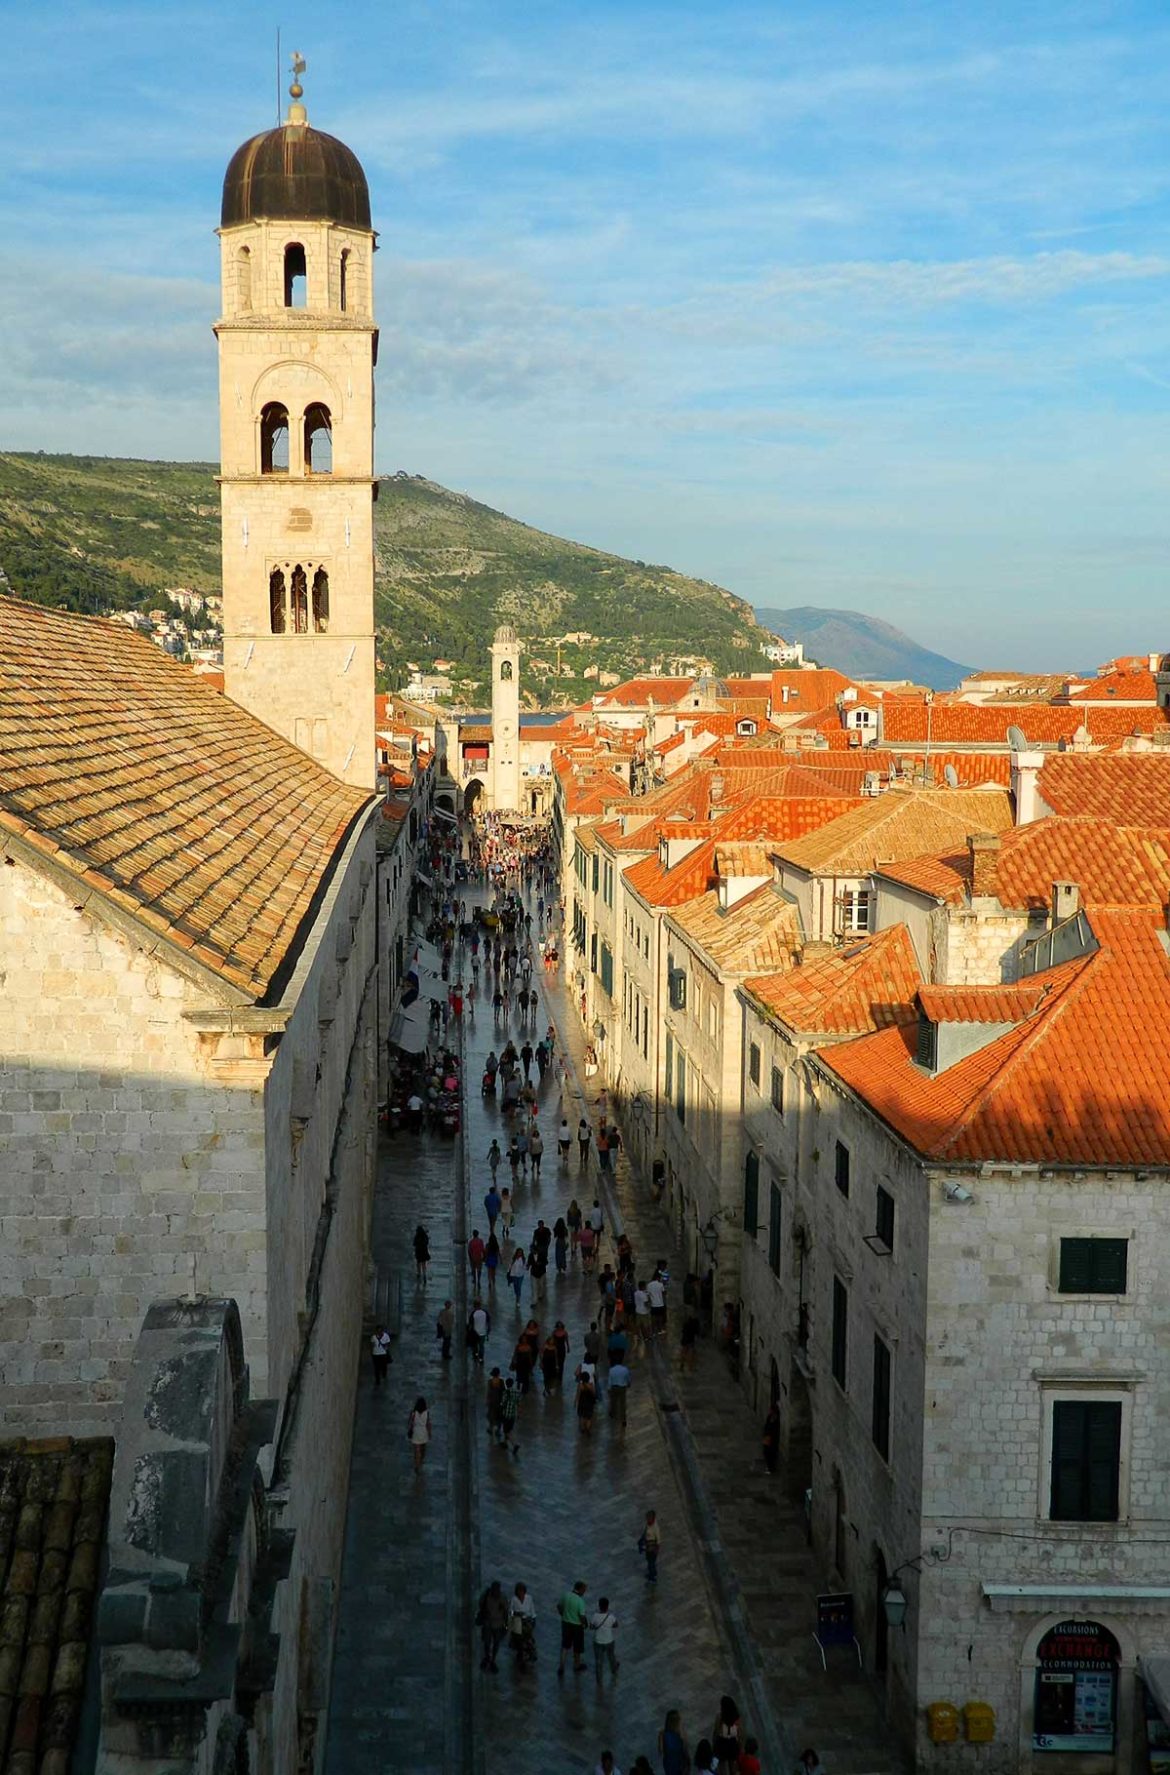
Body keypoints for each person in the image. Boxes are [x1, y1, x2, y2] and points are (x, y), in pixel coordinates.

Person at [556, 1580, 589, 1674]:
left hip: (566, 1623)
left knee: (565, 1645)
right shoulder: (580, 1601)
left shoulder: (565, 1595)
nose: (584, 1592)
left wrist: (563, 1614)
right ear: (580, 1589)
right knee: (577, 1646)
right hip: (577, 1626)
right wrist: (585, 1624)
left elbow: (559, 1606)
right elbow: (582, 1616)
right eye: (584, 1590)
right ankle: (577, 1665)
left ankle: (561, 1665)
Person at [477, 1578, 509, 1671]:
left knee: (496, 1643)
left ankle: (492, 1660)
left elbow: (506, 1612)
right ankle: (487, 1657)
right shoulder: (486, 1596)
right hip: (488, 1623)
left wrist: (506, 1626)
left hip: (498, 1624)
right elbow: (481, 1604)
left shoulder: (502, 1598)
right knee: (487, 1642)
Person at [589, 1596, 619, 1681]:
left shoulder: (595, 1616)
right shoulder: (611, 1616)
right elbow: (616, 1625)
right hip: (609, 1640)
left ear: (599, 1606)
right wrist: (609, 1626)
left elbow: (591, 1627)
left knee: (598, 1660)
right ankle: (614, 1670)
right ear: (607, 1606)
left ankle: (599, 1678)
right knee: (611, 1656)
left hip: (598, 1641)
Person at [507, 1581, 537, 1666]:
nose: (521, 1594)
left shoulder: (529, 1598)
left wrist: (534, 1619)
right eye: (519, 1592)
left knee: (528, 1637)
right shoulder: (514, 1599)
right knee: (519, 1638)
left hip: (526, 1620)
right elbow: (510, 1612)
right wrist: (516, 1613)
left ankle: (529, 1653)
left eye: (522, 1592)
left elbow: (532, 1610)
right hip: (517, 1620)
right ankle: (521, 1653)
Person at [711, 1697, 742, 1773]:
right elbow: (739, 1732)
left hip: (722, 1743)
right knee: (732, 1767)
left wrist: (714, 1743)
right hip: (732, 1743)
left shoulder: (720, 1716)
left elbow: (716, 1731)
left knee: (722, 1767)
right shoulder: (736, 1717)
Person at [659, 1710, 690, 1775]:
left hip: (671, 1763)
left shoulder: (664, 1734)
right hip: (676, 1763)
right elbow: (686, 1751)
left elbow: (661, 1751)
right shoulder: (681, 1735)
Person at [407, 1396, 431, 1472]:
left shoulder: (413, 1413)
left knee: (416, 1450)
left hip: (416, 1432)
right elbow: (428, 1424)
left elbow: (410, 1423)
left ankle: (417, 1464)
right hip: (423, 1432)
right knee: (423, 1447)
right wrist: (430, 1433)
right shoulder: (427, 1413)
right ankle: (421, 1460)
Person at [498, 1376, 520, 1454]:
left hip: (506, 1414)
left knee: (507, 1431)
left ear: (506, 1384)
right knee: (508, 1429)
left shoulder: (506, 1392)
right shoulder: (517, 1392)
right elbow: (518, 1403)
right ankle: (505, 1443)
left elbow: (502, 1403)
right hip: (513, 1415)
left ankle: (515, 1444)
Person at [608, 1357, 630, 1430]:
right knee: (622, 1403)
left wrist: (609, 1389)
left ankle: (613, 1413)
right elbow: (628, 1378)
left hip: (614, 1387)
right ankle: (623, 1419)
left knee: (613, 1401)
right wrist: (628, 1384)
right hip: (622, 1388)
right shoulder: (625, 1369)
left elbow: (609, 1381)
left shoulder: (611, 1370)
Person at [638, 1509, 660, 1582]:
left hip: (652, 1547)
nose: (647, 1519)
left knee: (651, 1562)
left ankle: (653, 1576)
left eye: (649, 1518)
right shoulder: (648, 1524)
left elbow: (658, 1539)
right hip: (648, 1545)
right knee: (648, 1560)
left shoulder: (655, 1528)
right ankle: (652, 1573)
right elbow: (645, 1533)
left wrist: (656, 1549)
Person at [486, 1366, 505, 1442]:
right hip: (499, 1401)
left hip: (492, 1401)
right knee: (499, 1416)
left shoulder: (490, 1382)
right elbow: (504, 1392)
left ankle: (491, 1428)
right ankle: (498, 1430)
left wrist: (487, 1400)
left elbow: (488, 1392)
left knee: (491, 1415)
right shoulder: (501, 1381)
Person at [576, 1370, 597, 1435]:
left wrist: (576, 1403)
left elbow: (578, 1395)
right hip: (589, 1404)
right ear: (588, 1378)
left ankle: (582, 1429)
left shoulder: (580, 1386)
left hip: (582, 1403)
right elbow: (594, 1394)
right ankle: (588, 1429)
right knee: (589, 1418)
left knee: (582, 1416)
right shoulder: (591, 1385)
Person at [762, 1402, 781, 1474]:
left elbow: (776, 1431)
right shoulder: (769, 1417)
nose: (769, 1411)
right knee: (765, 1451)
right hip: (767, 1437)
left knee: (771, 1453)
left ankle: (771, 1468)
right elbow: (766, 1426)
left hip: (773, 1439)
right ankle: (769, 1466)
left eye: (771, 1410)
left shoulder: (777, 1420)